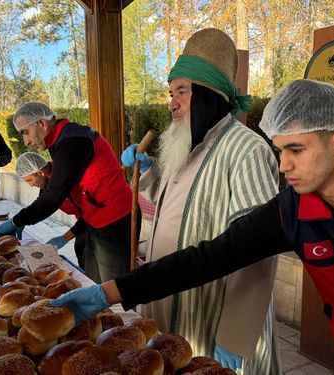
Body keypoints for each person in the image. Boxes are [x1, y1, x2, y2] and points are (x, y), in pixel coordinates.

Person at [50, 79, 334, 375]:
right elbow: (207, 258)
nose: (283, 165)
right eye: (279, 150)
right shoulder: (292, 211)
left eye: (296, 149)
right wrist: (108, 293)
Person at [119, 28, 281, 374]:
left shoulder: (247, 150)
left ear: (209, 94)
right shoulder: (190, 142)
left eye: (182, 91)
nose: (171, 102)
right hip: (170, 304)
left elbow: (261, 249)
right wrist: (147, 173)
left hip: (213, 317)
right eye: (170, 92)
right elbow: (177, 203)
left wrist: (235, 335)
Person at [0, 103, 134, 283]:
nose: (26, 141)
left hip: (114, 218)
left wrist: (17, 220)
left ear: (42, 123)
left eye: (25, 132)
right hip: (94, 219)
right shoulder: (61, 140)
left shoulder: (72, 141)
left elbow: (54, 195)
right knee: (92, 280)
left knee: (112, 286)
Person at [15, 151, 93, 275]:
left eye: (30, 180)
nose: (30, 185)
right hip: (84, 220)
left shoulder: (64, 178)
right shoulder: (46, 181)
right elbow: (43, 205)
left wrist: (65, 237)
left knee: (92, 260)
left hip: (100, 218)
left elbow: (92, 213)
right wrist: (21, 220)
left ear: (41, 172)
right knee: (81, 250)